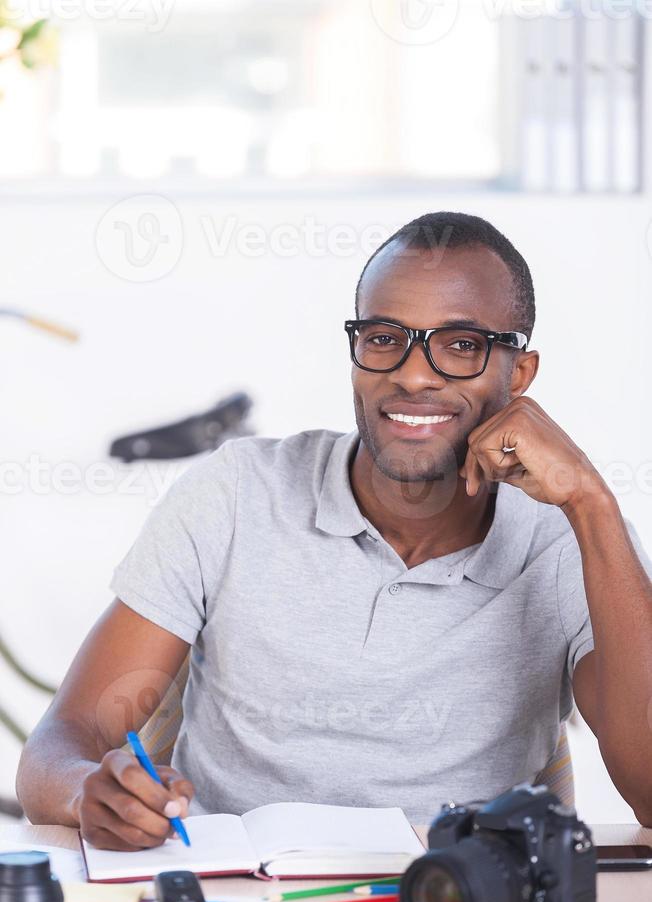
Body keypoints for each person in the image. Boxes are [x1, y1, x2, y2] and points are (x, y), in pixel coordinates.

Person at [16, 212, 652, 850]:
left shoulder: (572, 540)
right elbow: (61, 744)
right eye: (384, 337)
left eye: (462, 345)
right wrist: (88, 792)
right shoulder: (234, 494)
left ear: (518, 375)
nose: (412, 373)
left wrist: (592, 503)